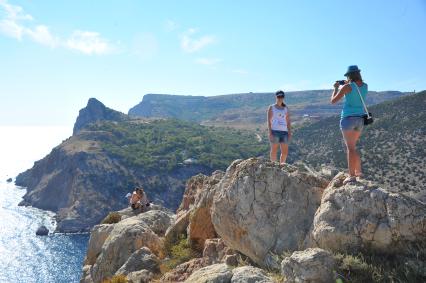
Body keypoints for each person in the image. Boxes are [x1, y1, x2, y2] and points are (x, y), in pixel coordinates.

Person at [330, 65, 368, 184]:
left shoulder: (347, 87)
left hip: (348, 119)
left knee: (350, 148)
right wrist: (348, 84)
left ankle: (351, 175)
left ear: (348, 75)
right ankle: (359, 172)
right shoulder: (365, 86)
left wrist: (335, 88)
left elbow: (333, 101)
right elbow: (356, 89)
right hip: (360, 120)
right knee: (353, 147)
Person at [267, 90, 292, 164]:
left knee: (285, 152)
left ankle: (282, 166)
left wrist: (289, 133)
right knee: (274, 150)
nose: (280, 98)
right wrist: (270, 133)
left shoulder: (286, 108)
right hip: (275, 131)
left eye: (281, 96)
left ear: (283, 97)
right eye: (279, 96)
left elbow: (288, 121)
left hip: (284, 132)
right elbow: (269, 120)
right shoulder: (272, 107)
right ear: (276, 97)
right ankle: (273, 165)